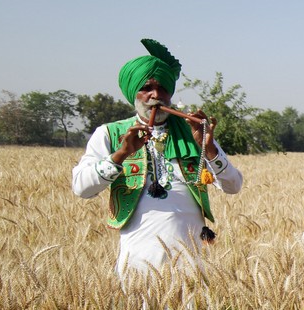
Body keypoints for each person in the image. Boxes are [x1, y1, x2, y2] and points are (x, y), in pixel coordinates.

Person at [73, 38, 242, 284]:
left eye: (163, 88)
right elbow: (81, 188)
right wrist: (121, 154)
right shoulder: (109, 134)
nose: (156, 95)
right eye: (147, 88)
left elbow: (233, 185)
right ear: (134, 93)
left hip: (191, 261)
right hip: (139, 260)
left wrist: (208, 148)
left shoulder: (194, 132)